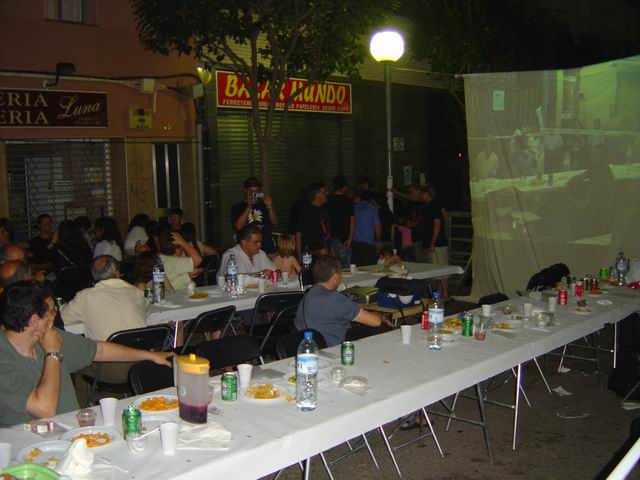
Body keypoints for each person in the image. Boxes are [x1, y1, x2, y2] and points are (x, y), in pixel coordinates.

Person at [0, 280, 173, 427]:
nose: (56, 314)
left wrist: (148, 355)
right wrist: (53, 352)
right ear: (34, 321)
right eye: (52, 310)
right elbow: (45, 409)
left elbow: (100, 350)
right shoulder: (6, 356)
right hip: (25, 450)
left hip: (69, 432)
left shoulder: (45, 337)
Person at [294, 255, 384, 347]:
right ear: (335, 277)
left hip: (314, 347)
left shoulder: (308, 294)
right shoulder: (335, 299)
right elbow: (375, 321)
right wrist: (381, 315)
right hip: (340, 349)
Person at [60, 256, 148, 342]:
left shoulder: (86, 296)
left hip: (109, 354)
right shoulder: (134, 291)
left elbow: (62, 317)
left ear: (93, 275)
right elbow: (146, 308)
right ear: (118, 273)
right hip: (141, 350)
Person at [230, 177, 278, 254]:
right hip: (246, 251)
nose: (253, 194)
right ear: (245, 190)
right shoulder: (237, 207)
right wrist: (249, 207)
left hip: (266, 248)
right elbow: (238, 226)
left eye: (256, 191)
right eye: (251, 191)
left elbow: (275, 222)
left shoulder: (264, 205)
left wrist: (270, 206)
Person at [420, 184, 450, 300]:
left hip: (437, 243)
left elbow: (437, 223)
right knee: (438, 269)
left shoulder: (432, 206)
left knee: (442, 269)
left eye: (422, 194)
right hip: (436, 242)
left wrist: (433, 242)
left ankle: (445, 294)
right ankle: (441, 292)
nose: (421, 196)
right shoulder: (436, 205)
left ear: (426, 194)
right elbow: (444, 217)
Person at [295, 183, 331, 261]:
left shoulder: (325, 207)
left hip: (326, 251)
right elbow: (298, 235)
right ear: (317, 194)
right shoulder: (306, 212)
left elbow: (326, 230)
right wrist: (299, 257)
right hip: (312, 253)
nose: (327, 194)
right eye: (324, 192)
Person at [327, 175, 354, 269]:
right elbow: (352, 220)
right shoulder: (347, 201)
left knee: (333, 268)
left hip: (331, 238)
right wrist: (350, 238)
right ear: (344, 187)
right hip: (344, 239)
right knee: (345, 268)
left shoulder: (327, 200)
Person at [351, 190, 381, 266]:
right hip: (368, 243)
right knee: (370, 267)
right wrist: (378, 240)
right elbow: (377, 226)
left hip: (355, 243)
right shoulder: (372, 209)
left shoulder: (354, 208)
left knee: (357, 267)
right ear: (371, 199)